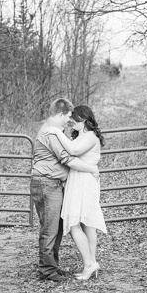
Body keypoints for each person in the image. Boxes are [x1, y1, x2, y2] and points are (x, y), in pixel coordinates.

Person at [29, 97, 97, 281]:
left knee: (56, 228)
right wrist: (91, 168)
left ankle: (52, 266)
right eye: (68, 115)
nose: (70, 119)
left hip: (53, 183)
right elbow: (67, 158)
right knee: (50, 229)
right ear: (60, 114)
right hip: (46, 183)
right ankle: (47, 270)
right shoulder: (50, 132)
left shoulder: (56, 131)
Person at [55, 104, 107, 281]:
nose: (70, 121)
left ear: (83, 119)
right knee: (86, 223)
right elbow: (72, 148)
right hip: (80, 180)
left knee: (75, 223)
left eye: (74, 119)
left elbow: (74, 151)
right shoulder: (82, 135)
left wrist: (56, 133)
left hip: (84, 182)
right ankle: (91, 263)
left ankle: (89, 264)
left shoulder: (91, 136)